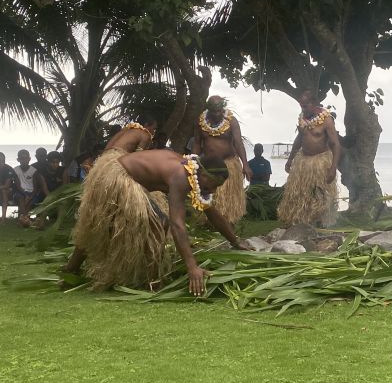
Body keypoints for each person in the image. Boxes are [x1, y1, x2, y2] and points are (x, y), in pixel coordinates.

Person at [63, 150, 249, 294]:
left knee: (100, 226)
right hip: (118, 177)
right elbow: (178, 225)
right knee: (159, 225)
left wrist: (235, 241)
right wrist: (192, 267)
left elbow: (210, 210)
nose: (214, 191)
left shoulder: (193, 170)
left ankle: (71, 270)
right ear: (205, 175)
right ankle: (153, 281)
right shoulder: (181, 176)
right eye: (215, 185)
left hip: (122, 174)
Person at [277, 90, 341, 227]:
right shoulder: (303, 118)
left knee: (319, 195)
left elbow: (335, 144)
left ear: (313, 104)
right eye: (301, 106)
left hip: (320, 163)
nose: (303, 109)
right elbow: (299, 139)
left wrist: (333, 167)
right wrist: (290, 159)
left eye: (305, 106)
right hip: (303, 162)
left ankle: (320, 223)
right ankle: (299, 222)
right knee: (299, 194)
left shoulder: (327, 120)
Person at [192, 96, 252, 224]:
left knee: (228, 198)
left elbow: (238, 143)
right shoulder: (201, 122)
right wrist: (192, 161)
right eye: (214, 111)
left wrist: (245, 165)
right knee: (210, 195)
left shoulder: (231, 121)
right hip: (208, 167)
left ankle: (228, 222)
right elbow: (197, 143)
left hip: (228, 164)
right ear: (208, 109)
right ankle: (209, 222)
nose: (218, 113)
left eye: (220, 110)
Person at [13, 149, 47, 225]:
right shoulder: (15, 170)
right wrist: (25, 195)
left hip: (32, 192)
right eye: (22, 158)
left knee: (30, 202)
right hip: (20, 192)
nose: (24, 160)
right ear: (18, 160)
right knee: (21, 198)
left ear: (29, 159)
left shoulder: (34, 171)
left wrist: (30, 196)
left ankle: (24, 219)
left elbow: (35, 187)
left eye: (26, 158)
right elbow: (18, 185)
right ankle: (25, 218)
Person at [0, 152, 17, 222]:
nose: (1, 162)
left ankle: (3, 218)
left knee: (4, 191)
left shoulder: (8, 169)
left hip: (9, 191)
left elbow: (7, 186)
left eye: (2, 161)